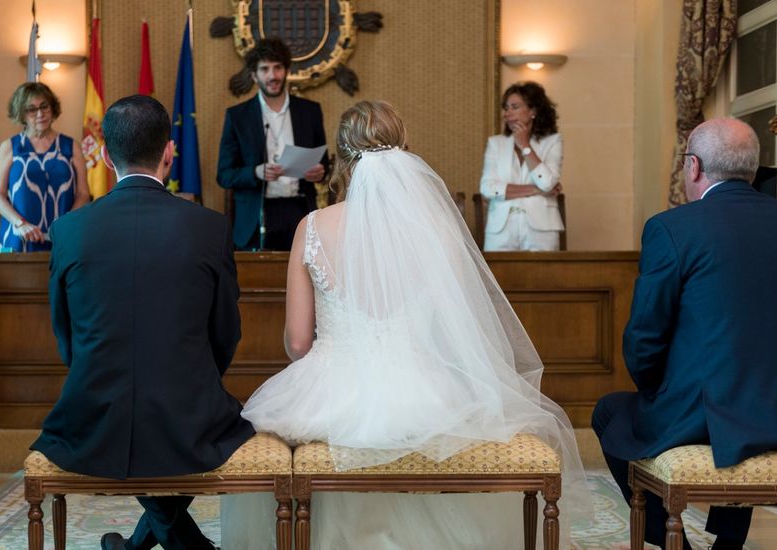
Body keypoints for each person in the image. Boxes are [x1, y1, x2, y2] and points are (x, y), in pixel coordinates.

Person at [221, 101, 590, 549]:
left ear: (343, 157)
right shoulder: (437, 233)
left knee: (267, 433)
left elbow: (298, 343)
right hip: (426, 386)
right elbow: (451, 330)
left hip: (333, 388)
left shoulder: (314, 226)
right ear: (405, 150)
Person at [31, 94, 254, 550]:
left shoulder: (68, 230)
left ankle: (131, 547)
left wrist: (100, 375)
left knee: (136, 428)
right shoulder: (210, 228)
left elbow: (65, 335)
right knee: (222, 425)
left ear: (107, 157)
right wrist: (187, 380)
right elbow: (226, 332)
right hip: (189, 416)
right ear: (169, 152)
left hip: (91, 415)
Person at [593, 118, 777, 550]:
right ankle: (728, 544)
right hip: (770, 408)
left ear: (693, 167)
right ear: (752, 168)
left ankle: (676, 544)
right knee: (744, 399)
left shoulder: (673, 228)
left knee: (608, 411)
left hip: (704, 412)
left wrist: (658, 391)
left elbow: (644, 339)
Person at [217, 37, 330, 251]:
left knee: (302, 280)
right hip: (257, 215)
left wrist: (320, 171)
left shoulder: (310, 111)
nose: (272, 75)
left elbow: (323, 162)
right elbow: (224, 175)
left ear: (286, 70)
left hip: (300, 210)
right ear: (254, 75)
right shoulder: (237, 116)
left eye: (277, 68)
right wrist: (256, 172)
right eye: (265, 69)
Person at [0, 82, 89, 252]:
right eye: (31, 109)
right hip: (19, 237)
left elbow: (83, 194)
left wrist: (64, 226)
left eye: (44, 107)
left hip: (62, 238)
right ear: (21, 113)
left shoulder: (71, 146)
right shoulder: (9, 147)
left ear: (53, 108)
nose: (40, 114)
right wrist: (20, 224)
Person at [479, 81, 564, 251]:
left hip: (541, 230)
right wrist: (536, 191)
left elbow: (547, 183)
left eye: (514, 107)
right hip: (500, 232)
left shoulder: (552, 142)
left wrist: (525, 145)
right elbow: (487, 188)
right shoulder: (496, 143)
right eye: (506, 108)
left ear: (533, 110)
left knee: (543, 276)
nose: (507, 113)